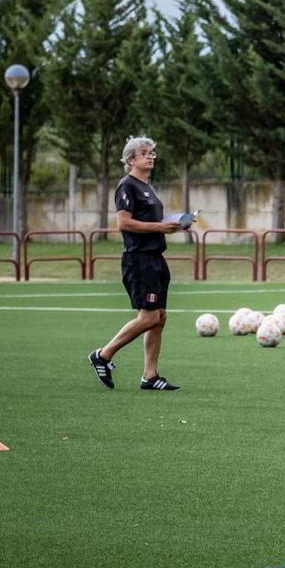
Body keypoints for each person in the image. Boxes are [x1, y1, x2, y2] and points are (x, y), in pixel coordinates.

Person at [88, 136, 183, 391]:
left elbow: (149, 222)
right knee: (149, 316)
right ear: (130, 160)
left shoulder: (148, 187)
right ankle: (103, 355)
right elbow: (124, 223)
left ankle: (150, 376)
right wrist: (161, 226)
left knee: (160, 317)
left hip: (155, 258)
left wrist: (173, 224)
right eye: (144, 152)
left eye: (152, 152)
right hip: (139, 259)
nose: (150, 156)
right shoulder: (126, 185)